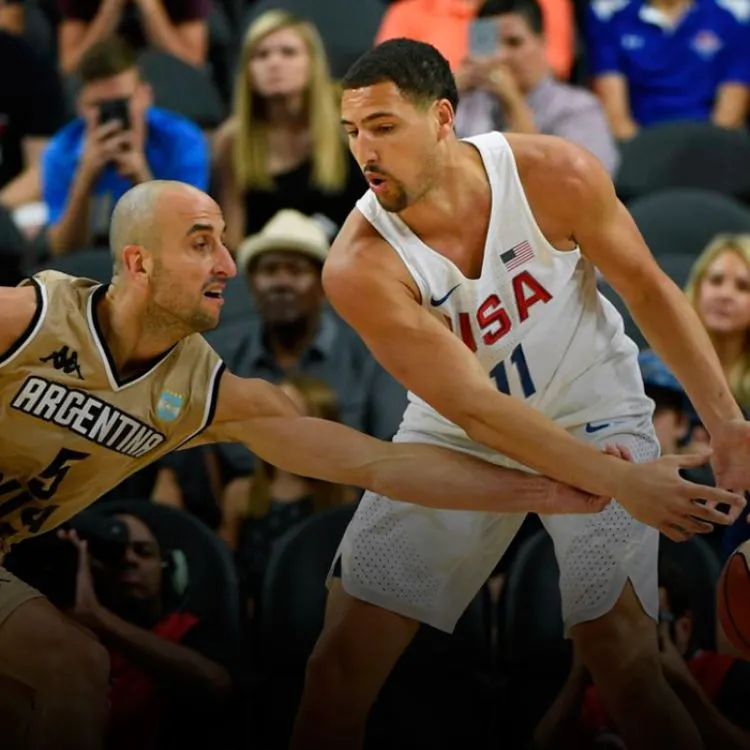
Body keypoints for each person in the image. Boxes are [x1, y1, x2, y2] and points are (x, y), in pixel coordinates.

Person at [0, 178, 641, 750]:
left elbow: (382, 468)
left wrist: (553, 490)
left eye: (225, 243)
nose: (226, 263)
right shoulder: (31, 321)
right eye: (201, 244)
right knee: (67, 670)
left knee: (65, 678)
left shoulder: (210, 396)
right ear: (138, 262)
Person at [289, 39, 750, 750]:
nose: (363, 151)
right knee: (337, 666)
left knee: (623, 662)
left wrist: (727, 424)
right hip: (459, 431)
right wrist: (621, 483)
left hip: (594, 405)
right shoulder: (359, 265)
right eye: (352, 132)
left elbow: (650, 290)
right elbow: (474, 408)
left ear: (442, 118)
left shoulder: (552, 173)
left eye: (383, 126)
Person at [533, 557, 750, 749]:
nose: (628, 640)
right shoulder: (594, 694)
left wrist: (686, 690)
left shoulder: (723, 675)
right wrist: (578, 676)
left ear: (683, 628)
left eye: (649, 623)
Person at [62, 511, 234, 750]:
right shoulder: (66, 636)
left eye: (143, 552)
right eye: (113, 553)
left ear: (169, 568)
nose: (129, 559)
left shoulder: (186, 629)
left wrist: (99, 618)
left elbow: (217, 688)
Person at [212, 9, 366, 250]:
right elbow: (233, 241)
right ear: (247, 72)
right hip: (268, 273)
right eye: (261, 55)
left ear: (313, 62)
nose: (274, 63)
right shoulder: (232, 140)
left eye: (288, 52)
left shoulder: (351, 120)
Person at [42, 37, 209, 257]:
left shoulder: (182, 141)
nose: (113, 116)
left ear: (146, 96)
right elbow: (63, 252)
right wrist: (84, 181)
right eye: (99, 107)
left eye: (122, 103)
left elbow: (189, 243)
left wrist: (142, 177)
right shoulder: (60, 151)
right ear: (80, 107)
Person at [454, 0, 619, 175]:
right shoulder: (467, 102)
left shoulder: (578, 108)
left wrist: (512, 102)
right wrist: (447, 91)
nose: (499, 56)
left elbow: (585, 182)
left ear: (543, 42)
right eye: (490, 44)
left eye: (514, 43)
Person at [585, 0, 750, 140]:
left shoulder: (735, 14)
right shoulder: (608, 14)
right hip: (638, 148)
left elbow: (730, 116)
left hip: (711, 146)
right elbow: (616, 119)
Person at [684, 234, 750, 413]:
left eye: (743, 286)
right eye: (716, 280)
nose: (725, 295)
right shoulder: (653, 372)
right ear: (697, 288)